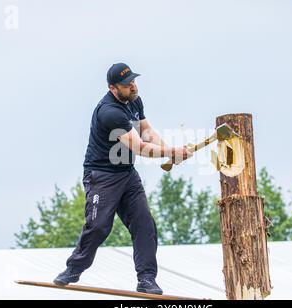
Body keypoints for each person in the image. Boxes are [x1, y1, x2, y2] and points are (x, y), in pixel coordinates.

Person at [53, 63, 191, 294]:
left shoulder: (134, 99)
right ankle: (74, 269)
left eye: (134, 81)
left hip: (127, 175)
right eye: (127, 85)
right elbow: (138, 147)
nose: (133, 86)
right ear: (113, 88)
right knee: (98, 227)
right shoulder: (109, 113)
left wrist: (168, 150)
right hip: (102, 176)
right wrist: (171, 153)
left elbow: (146, 132)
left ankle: (146, 279)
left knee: (145, 224)